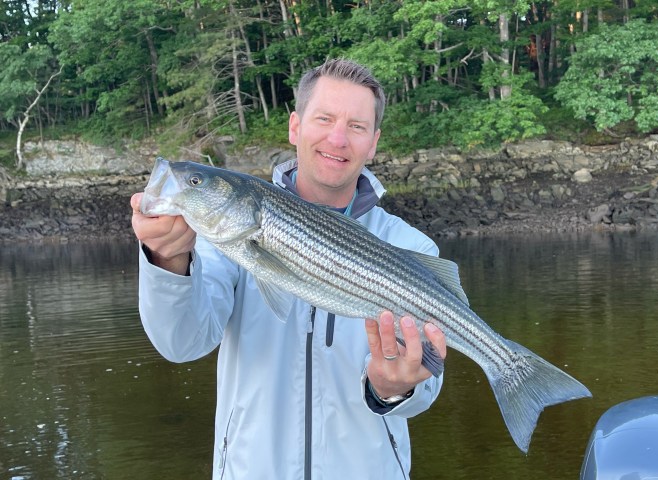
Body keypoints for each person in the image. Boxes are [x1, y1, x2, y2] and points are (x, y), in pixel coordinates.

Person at [130, 58, 446, 479]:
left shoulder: (411, 246)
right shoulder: (222, 236)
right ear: (295, 126)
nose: (338, 138)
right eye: (324, 118)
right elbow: (181, 342)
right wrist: (167, 259)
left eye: (356, 126)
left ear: (373, 142)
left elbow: (429, 378)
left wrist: (395, 389)